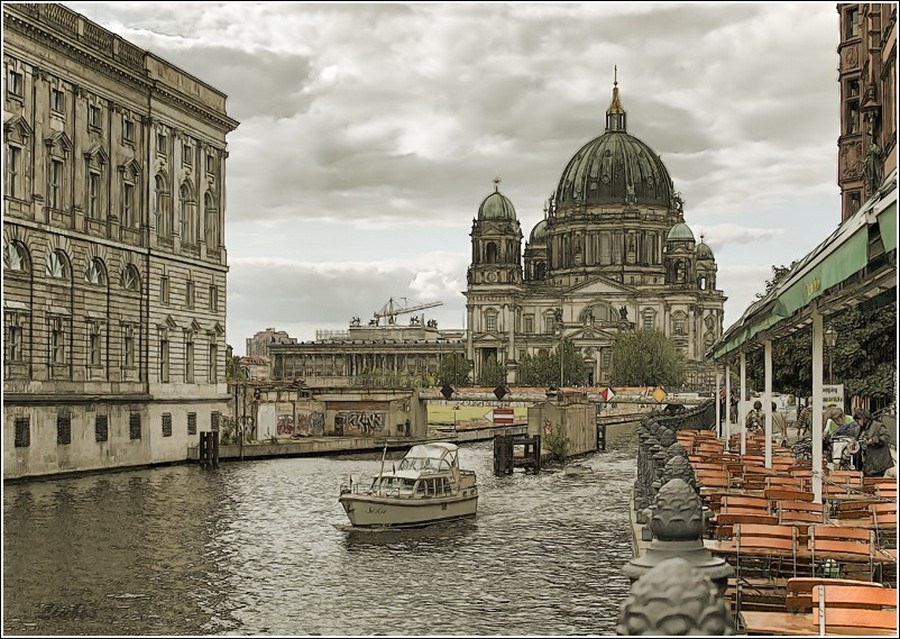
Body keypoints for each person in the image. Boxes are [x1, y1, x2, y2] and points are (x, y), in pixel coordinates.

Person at [856, 408, 893, 478]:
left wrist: (874, 440)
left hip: (879, 463)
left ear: (864, 419)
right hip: (867, 464)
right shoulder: (860, 429)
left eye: (859, 420)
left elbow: (886, 437)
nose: (858, 422)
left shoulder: (878, 426)